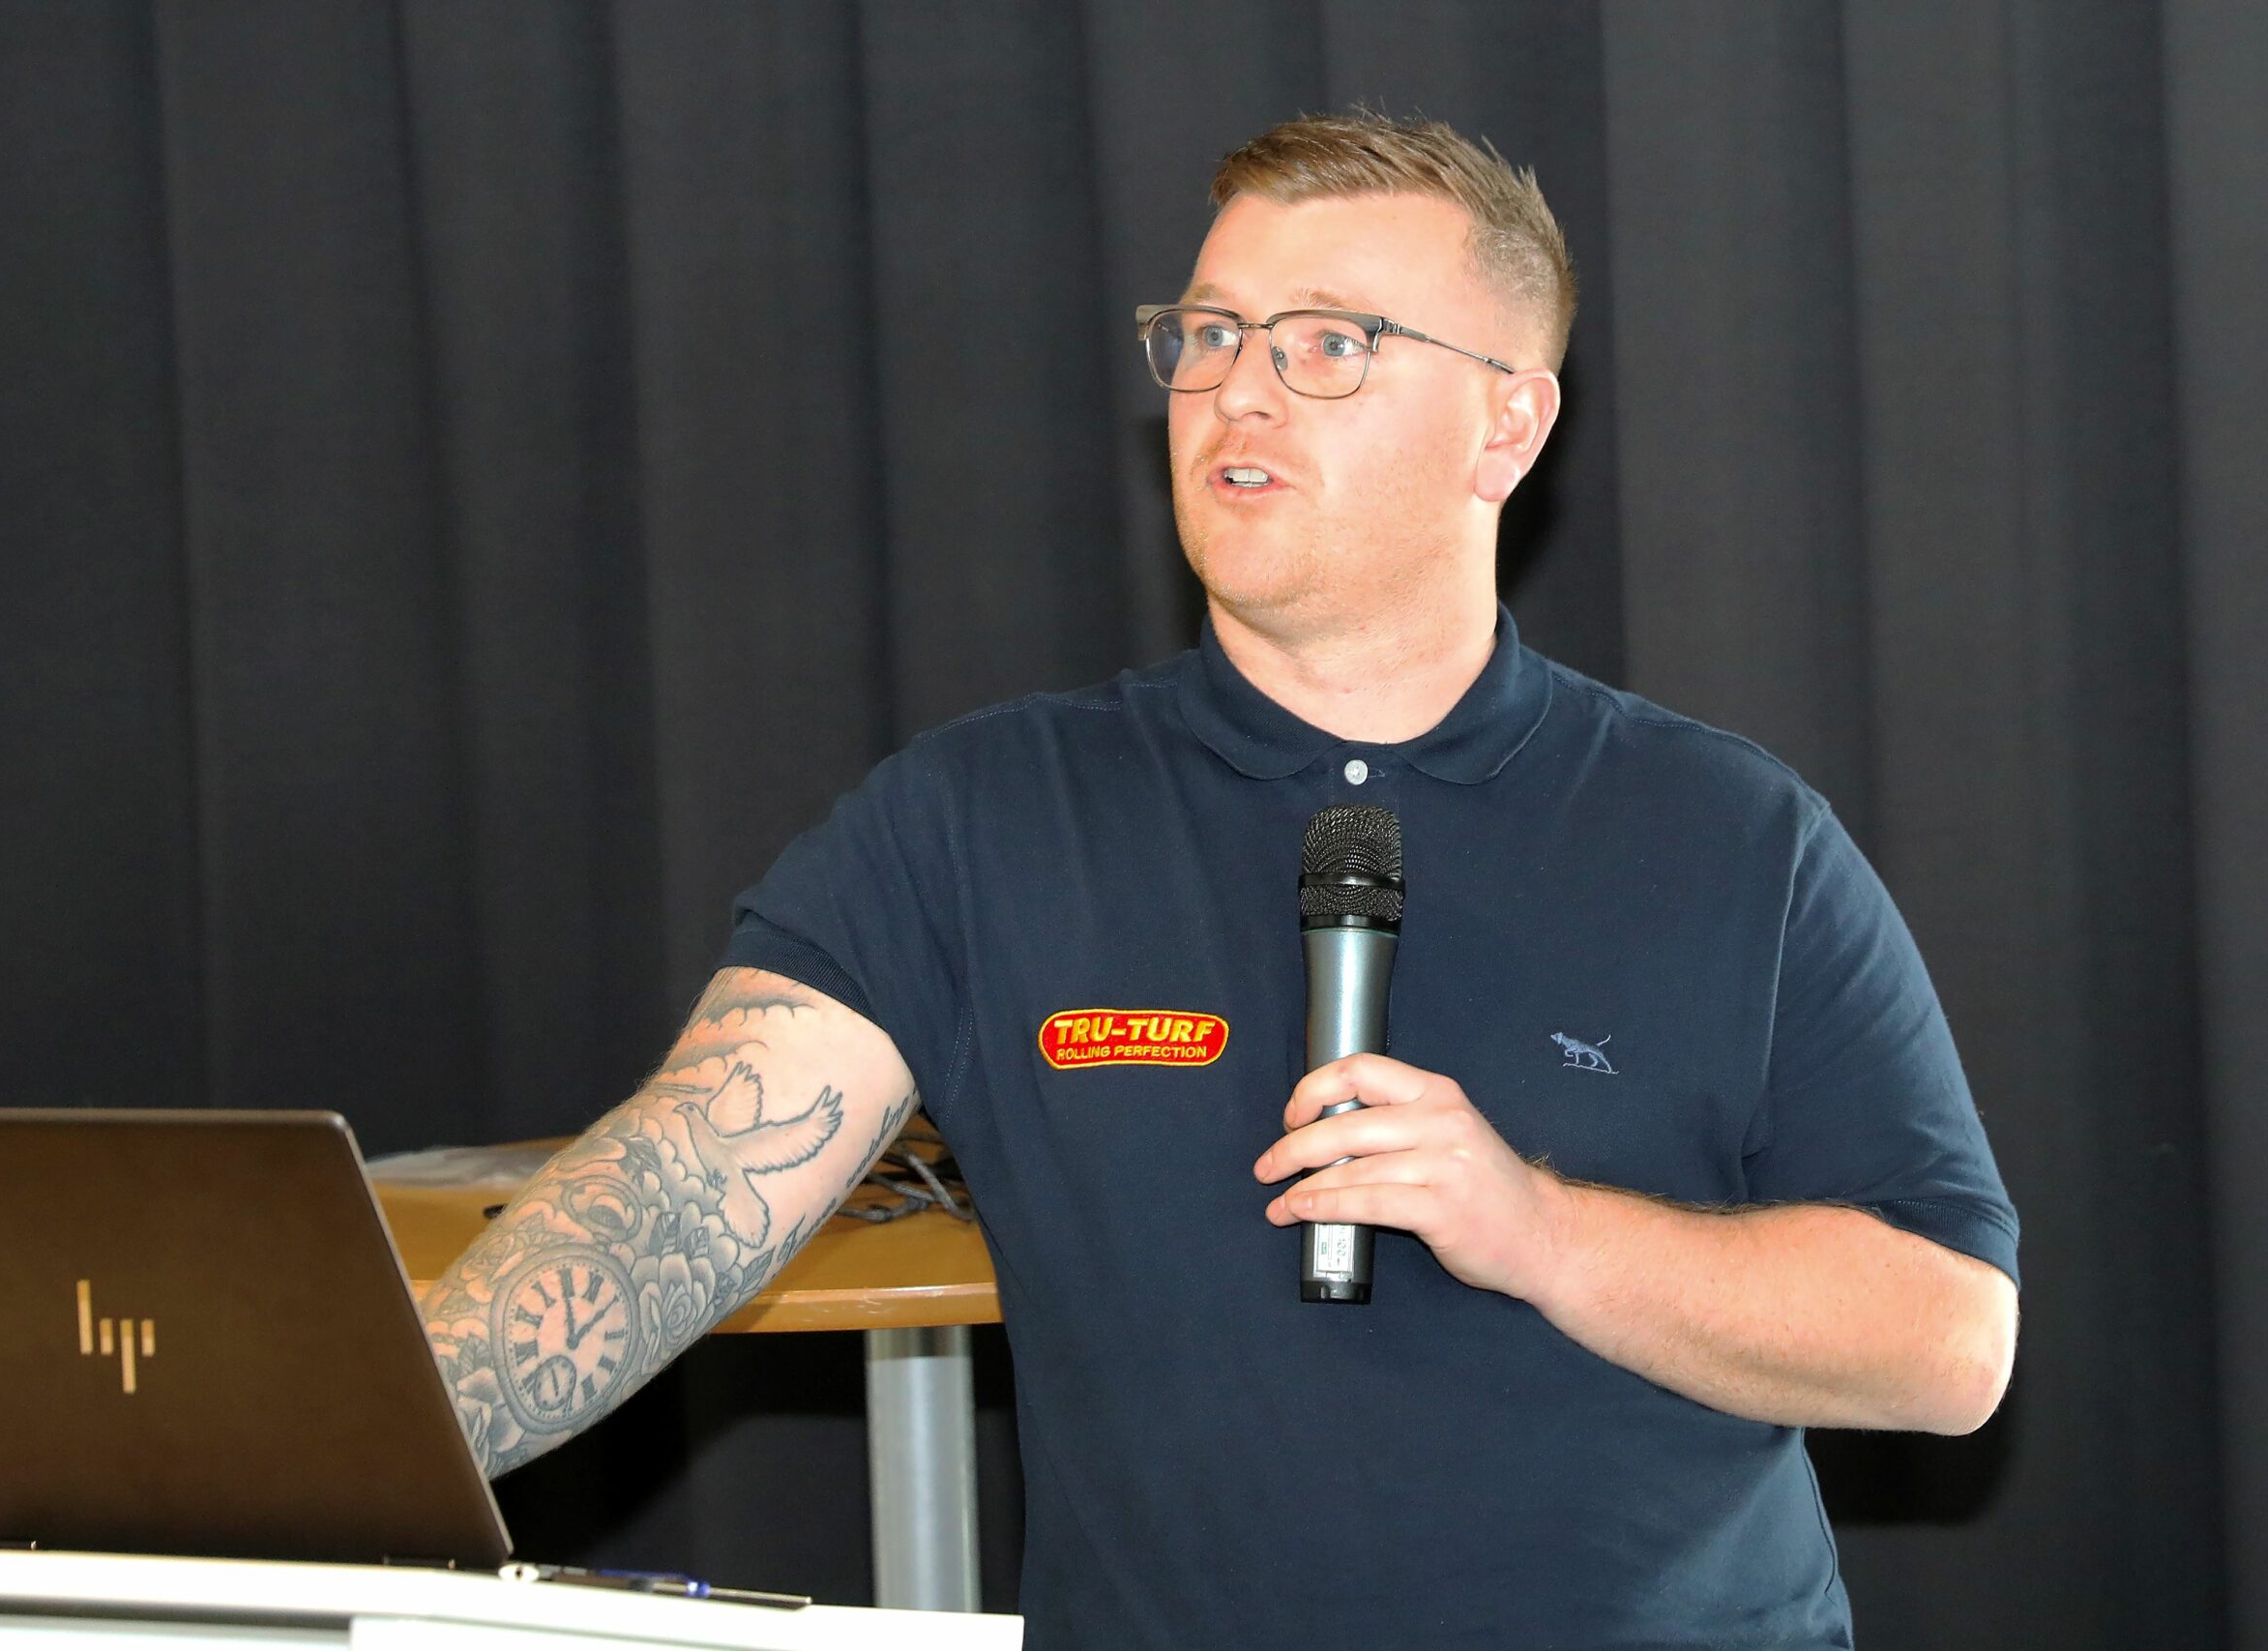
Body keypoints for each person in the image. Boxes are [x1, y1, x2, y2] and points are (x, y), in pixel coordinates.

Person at [420, 110, 2018, 1649]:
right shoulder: (986, 819)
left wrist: (1539, 1230)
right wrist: (347, 1449)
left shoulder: (1727, 836)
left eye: (1327, 343)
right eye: (1207, 334)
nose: (1237, 391)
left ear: (1508, 426)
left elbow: (1951, 1344)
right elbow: (673, 1197)